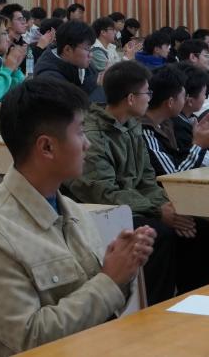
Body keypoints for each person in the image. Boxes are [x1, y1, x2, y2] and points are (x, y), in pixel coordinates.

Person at [0, 78, 155, 357]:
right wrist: (110, 280)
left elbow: (101, 308)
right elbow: (30, 338)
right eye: (80, 132)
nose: (87, 144)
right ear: (47, 147)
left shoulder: (74, 212)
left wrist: (123, 269)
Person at [63, 60, 194, 305]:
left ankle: (190, 300)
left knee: (191, 225)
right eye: (147, 93)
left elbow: (146, 178)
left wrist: (168, 207)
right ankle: (153, 306)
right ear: (131, 99)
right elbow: (102, 192)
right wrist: (157, 210)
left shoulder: (132, 125)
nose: (150, 98)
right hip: (97, 212)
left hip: (130, 205)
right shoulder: (93, 135)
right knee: (159, 233)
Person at [33, 21, 98, 96]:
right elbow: (68, 100)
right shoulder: (48, 78)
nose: (91, 55)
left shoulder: (80, 62)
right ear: (67, 50)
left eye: (91, 48)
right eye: (87, 49)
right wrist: (95, 84)